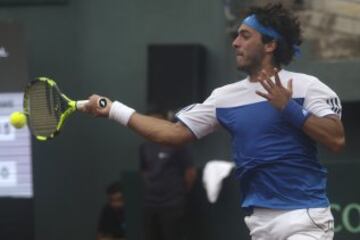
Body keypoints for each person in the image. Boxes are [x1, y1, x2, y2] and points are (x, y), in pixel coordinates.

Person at [82, 3, 345, 240]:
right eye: (236, 35)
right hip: (260, 223)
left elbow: (335, 138)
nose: (235, 43)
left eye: (245, 35)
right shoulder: (224, 97)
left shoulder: (307, 87)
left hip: (304, 217)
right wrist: (112, 109)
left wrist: (289, 108)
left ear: (270, 45)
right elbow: (173, 134)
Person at [139, 109, 197, 240]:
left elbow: (190, 173)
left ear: (166, 121)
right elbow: (143, 171)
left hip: (173, 203)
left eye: (157, 120)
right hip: (150, 203)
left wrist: (178, 193)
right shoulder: (144, 146)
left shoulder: (178, 143)